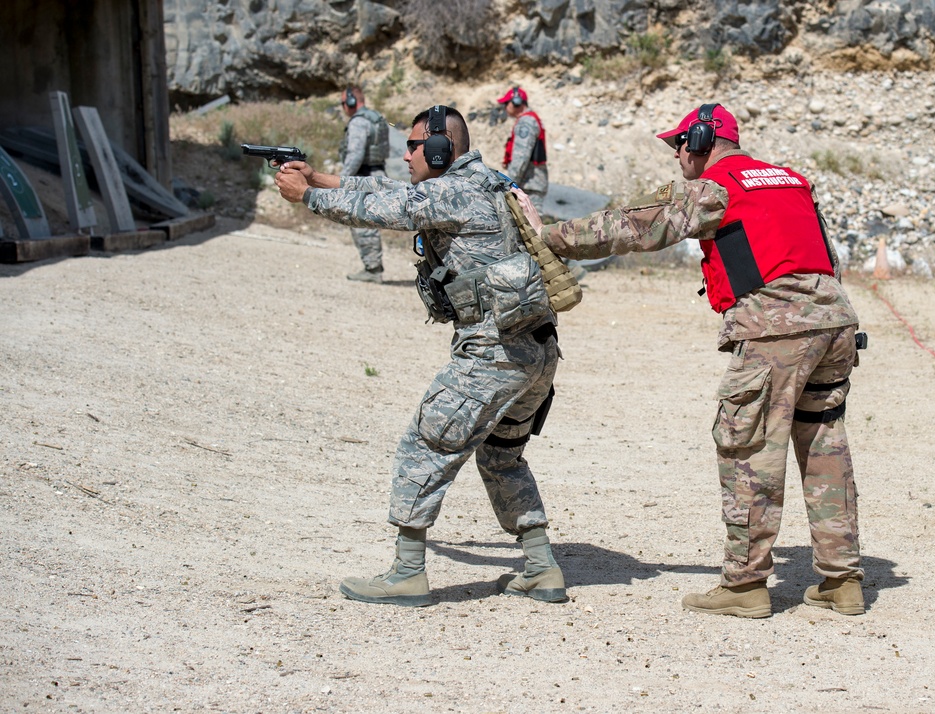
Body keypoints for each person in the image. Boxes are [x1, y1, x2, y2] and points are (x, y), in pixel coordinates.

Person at [516, 103, 865, 618]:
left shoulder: (717, 185)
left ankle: (745, 585)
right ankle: (843, 581)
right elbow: (827, 257)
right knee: (824, 447)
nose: (676, 153)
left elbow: (632, 228)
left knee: (748, 449)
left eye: (679, 143)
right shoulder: (791, 180)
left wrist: (549, 236)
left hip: (776, 329)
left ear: (702, 139)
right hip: (835, 323)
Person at [275, 105, 567, 607]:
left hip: (492, 354)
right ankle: (541, 568)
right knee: (501, 456)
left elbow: (385, 211)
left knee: (424, 445)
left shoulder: (452, 191)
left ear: (439, 149)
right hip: (536, 351)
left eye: (413, 147)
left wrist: (310, 198)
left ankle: (407, 572)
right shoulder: (483, 181)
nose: (405, 154)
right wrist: (321, 177)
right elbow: (394, 193)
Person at [338, 86, 390, 283]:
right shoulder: (375, 117)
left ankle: (373, 269)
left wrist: (342, 180)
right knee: (364, 221)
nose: (343, 107)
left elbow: (355, 154)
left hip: (363, 176)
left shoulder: (359, 122)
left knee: (361, 222)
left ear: (352, 101)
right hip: (374, 173)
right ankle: (372, 266)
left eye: (344, 103)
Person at [498, 86, 548, 208]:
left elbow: (521, 157)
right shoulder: (529, 119)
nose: (505, 106)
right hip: (529, 184)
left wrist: (509, 184)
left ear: (516, 102)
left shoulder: (526, 122)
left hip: (528, 185)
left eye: (506, 103)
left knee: (531, 225)